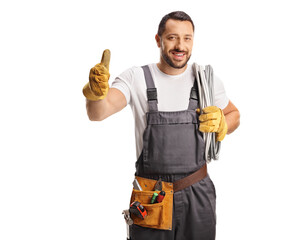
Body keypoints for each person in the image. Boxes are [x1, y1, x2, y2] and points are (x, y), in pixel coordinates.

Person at [83, 11, 240, 240]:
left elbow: (234, 114)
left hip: (198, 194)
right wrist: (95, 94)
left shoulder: (205, 80)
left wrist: (223, 123)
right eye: (172, 37)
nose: (180, 46)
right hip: (151, 195)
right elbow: (98, 113)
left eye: (187, 38)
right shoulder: (136, 78)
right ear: (158, 40)